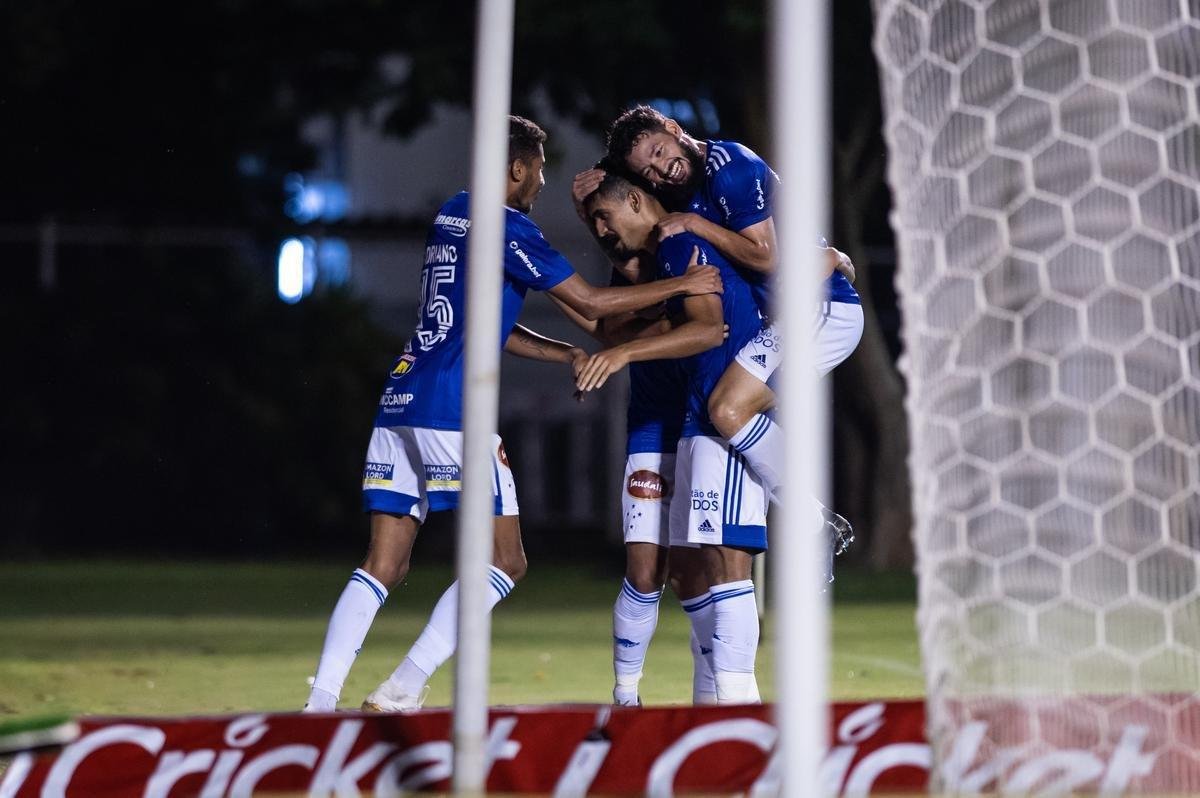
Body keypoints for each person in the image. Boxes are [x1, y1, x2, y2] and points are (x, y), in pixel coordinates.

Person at [303, 115, 722, 713]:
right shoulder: (508, 227)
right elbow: (592, 301)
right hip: (453, 410)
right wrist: (679, 285)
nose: (541, 185)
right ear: (519, 169)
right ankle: (404, 686)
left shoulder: (452, 213)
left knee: (383, 564)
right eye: (540, 172)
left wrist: (565, 353)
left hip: (401, 398)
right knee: (505, 560)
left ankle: (318, 706)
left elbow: (486, 326)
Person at [573, 106, 864, 511]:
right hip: (786, 314)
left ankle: (813, 524)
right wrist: (590, 213)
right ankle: (816, 526)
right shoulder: (680, 193)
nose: (661, 170)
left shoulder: (731, 168)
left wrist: (696, 224)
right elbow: (635, 272)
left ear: (674, 129)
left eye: (659, 151)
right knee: (730, 411)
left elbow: (764, 257)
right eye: (649, 171)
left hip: (820, 306)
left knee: (728, 408)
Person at [577, 170, 768, 703]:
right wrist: (655, 315)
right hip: (655, 419)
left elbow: (707, 327)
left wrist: (630, 344)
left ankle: (720, 697)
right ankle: (626, 697)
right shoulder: (645, 266)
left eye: (604, 219)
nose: (601, 231)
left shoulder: (685, 242)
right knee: (645, 571)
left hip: (698, 417)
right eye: (593, 222)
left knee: (696, 571)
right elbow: (606, 320)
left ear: (636, 200)